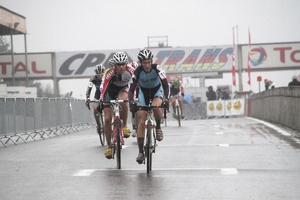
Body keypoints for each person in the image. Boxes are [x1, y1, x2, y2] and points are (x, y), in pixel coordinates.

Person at [128, 48, 169, 164]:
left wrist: (166, 99)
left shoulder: (157, 69)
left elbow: (166, 86)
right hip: (143, 93)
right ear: (141, 63)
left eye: (149, 62)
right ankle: (141, 152)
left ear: (152, 61)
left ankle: (158, 128)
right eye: (144, 63)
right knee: (141, 120)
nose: (147, 65)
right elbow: (131, 89)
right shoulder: (137, 71)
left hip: (157, 91)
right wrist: (131, 101)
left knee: (156, 106)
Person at [100, 52, 135, 159]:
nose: (121, 67)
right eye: (118, 64)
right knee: (107, 119)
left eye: (123, 64)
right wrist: (102, 99)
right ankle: (109, 146)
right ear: (115, 65)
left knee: (122, 99)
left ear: (126, 64)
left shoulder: (131, 71)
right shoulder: (110, 73)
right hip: (110, 93)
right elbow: (104, 88)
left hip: (123, 89)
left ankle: (124, 125)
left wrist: (135, 97)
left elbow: (137, 84)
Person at [85, 64, 105, 135]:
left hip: (106, 94)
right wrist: (87, 98)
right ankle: (98, 125)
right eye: (98, 75)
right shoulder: (93, 79)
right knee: (95, 108)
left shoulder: (106, 77)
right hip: (98, 94)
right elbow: (89, 88)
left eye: (102, 74)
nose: (100, 76)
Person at [129, 61, 139, 137]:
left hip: (139, 89)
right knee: (133, 109)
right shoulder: (128, 75)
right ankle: (134, 127)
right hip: (132, 90)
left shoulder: (140, 73)